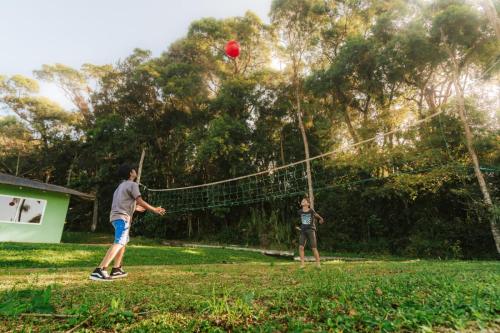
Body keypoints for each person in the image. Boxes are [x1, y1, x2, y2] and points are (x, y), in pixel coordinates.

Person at [89, 164, 166, 281]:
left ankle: (116, 269)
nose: (135, 171)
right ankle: (99, 270)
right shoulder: (133, 184)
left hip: (115, 217)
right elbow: (139, 200)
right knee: (119, 241)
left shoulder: (119, 187)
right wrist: (154, 209)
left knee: (123, 242)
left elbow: (123, 203)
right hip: (122, 218)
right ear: (131, 173)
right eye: (134, 170)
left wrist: (135, 208)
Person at [297, 197, 324, 269]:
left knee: (314, 248)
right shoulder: (300, 211)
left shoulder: (311, 211)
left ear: (308, 204)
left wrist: (321, 219)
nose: (303, 201)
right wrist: (299, 227)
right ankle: (302, 264)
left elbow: (316, 215)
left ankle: (318, 264)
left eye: (304, 201)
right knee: (300, 247)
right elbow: (300, 221)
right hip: (303, 231)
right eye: (302, 200)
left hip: (311, 231)